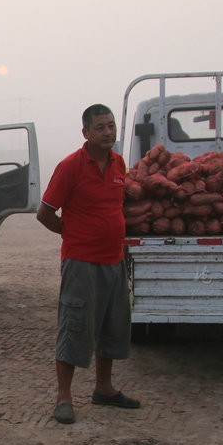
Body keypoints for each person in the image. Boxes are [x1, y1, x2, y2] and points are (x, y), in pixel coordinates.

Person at [36, 103, 141, 424]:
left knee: (112, 325)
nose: (108, 132)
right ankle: (63, 397)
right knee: (75, 325)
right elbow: (44, 213)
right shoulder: (70, 167)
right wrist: (73, 234)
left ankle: (104, 388)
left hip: (114, 261)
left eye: (111, 126)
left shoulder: (119, 164)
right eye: (101, 128)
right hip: (81, 263)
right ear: (86, 133)